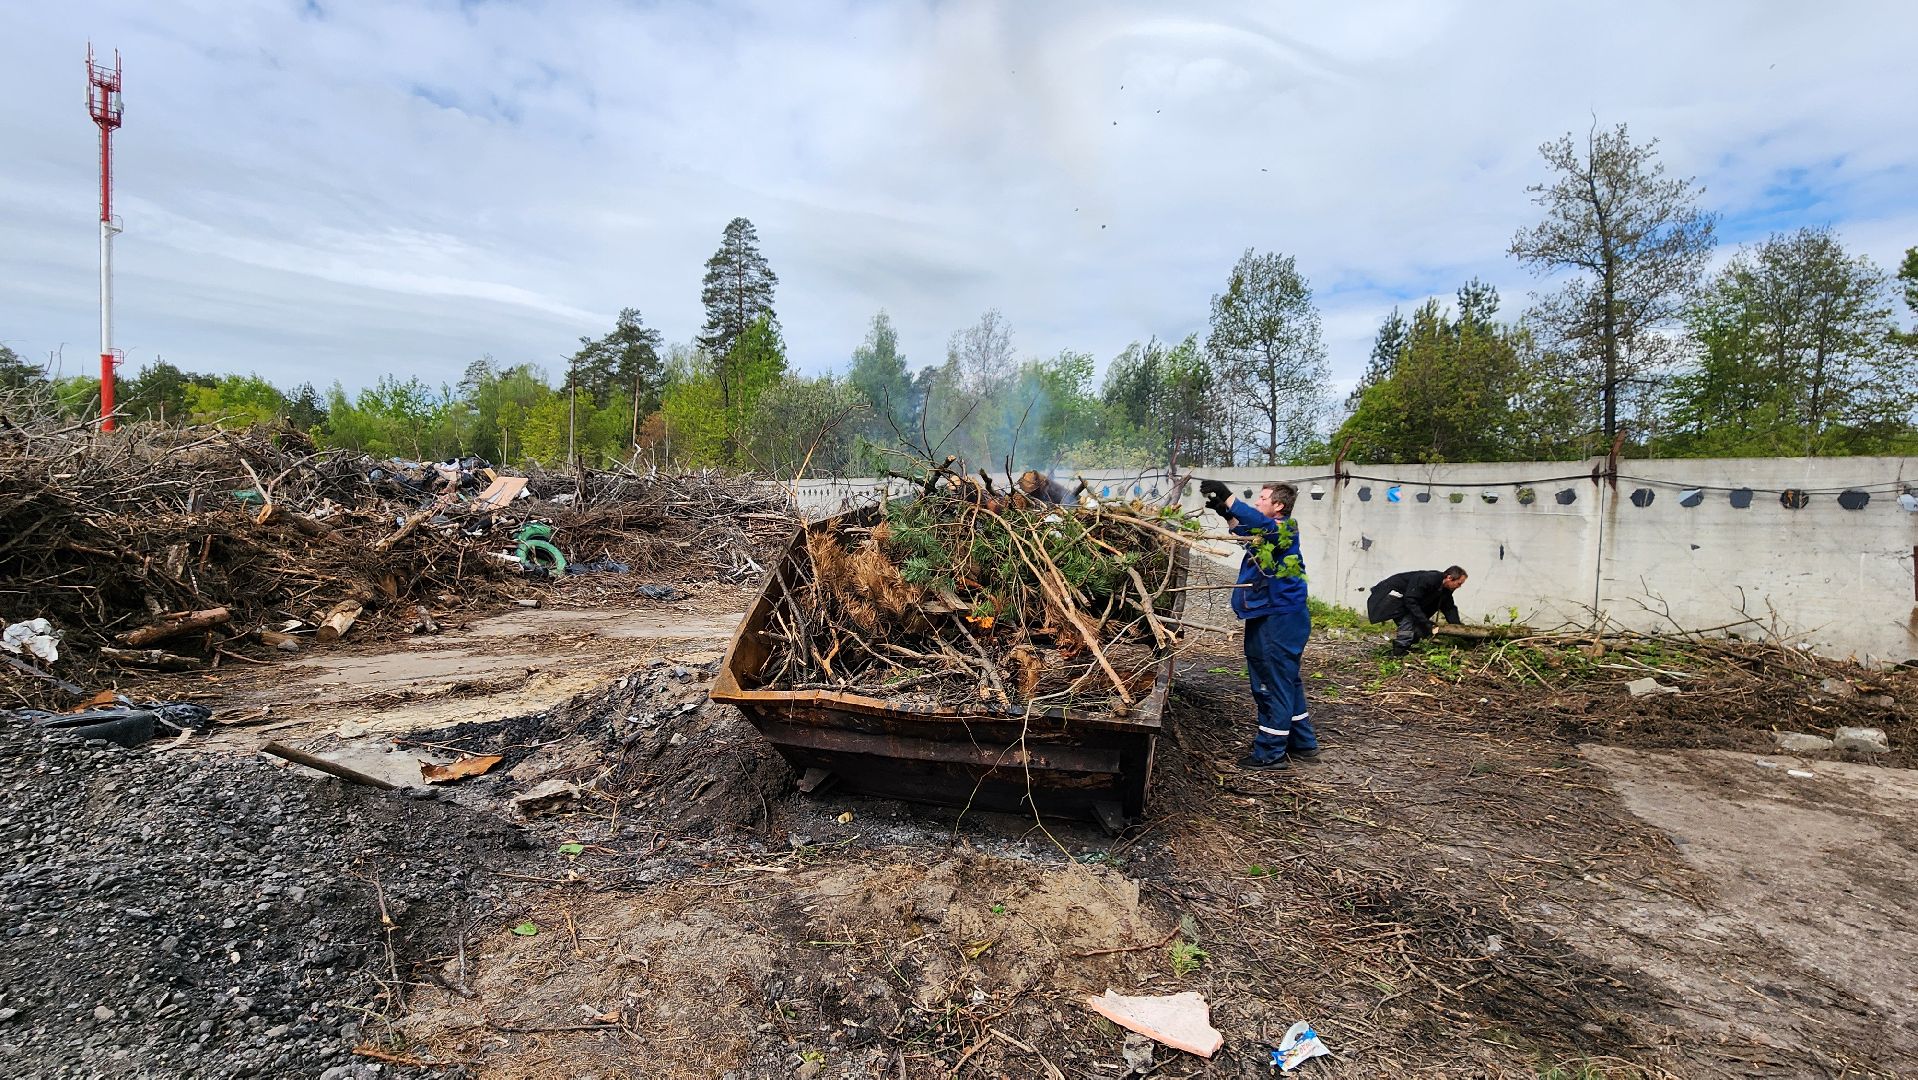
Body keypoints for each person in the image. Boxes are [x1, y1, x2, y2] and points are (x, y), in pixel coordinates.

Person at [1199, 478, 1319, 770]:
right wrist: (1227, 513)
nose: (1257, 502)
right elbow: (1246, 534)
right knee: (1286, 679)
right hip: (1276, 615)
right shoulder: (1272, 533)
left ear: (1278, 505)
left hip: (1278, 619)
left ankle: (1269, 752)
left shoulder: (1284, 529)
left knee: (1271, 681)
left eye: (1262, 498)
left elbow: (1262, 528)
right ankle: (1302, 743)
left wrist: (1229, 497)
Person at [1366, 567, 1468, 655]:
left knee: (1420, 627)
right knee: (1408, 619)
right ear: (1449, 578)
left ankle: (1407, 645)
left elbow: (1449, 608)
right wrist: (1425, 622)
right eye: (1458, 583)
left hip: (1405, 599)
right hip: (1389, 595)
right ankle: (1399, 650)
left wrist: (1460, 629)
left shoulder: (1444, 589)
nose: (1459, 587)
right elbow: (1410, 601)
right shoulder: (1428, 579)